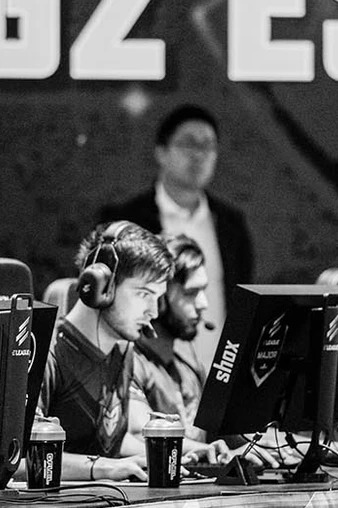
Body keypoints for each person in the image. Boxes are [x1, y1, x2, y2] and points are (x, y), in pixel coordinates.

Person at [39, 221, 220, 482]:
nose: (154, 312)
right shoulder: (46, 353)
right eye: (144, 294)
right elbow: (10, 460)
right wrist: (105, 468)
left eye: (157, 297)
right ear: (102, 286)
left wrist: (196, 452)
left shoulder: (122, 352)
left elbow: (116, 439)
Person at [100, 104, 254, 371]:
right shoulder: (128, 221)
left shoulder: (231, 224)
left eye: (208, 146)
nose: (199, 155)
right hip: (146, 369)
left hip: (220, 368)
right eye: (188, 144)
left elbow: (243, 300)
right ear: (161, 152)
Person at [134, 234, 215, 443]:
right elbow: (145, 443)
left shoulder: (190, 367)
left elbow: (225, 435)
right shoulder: (132, 365)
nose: (203, 304)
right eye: (190, 293)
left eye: (203, 291)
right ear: (158, 296)